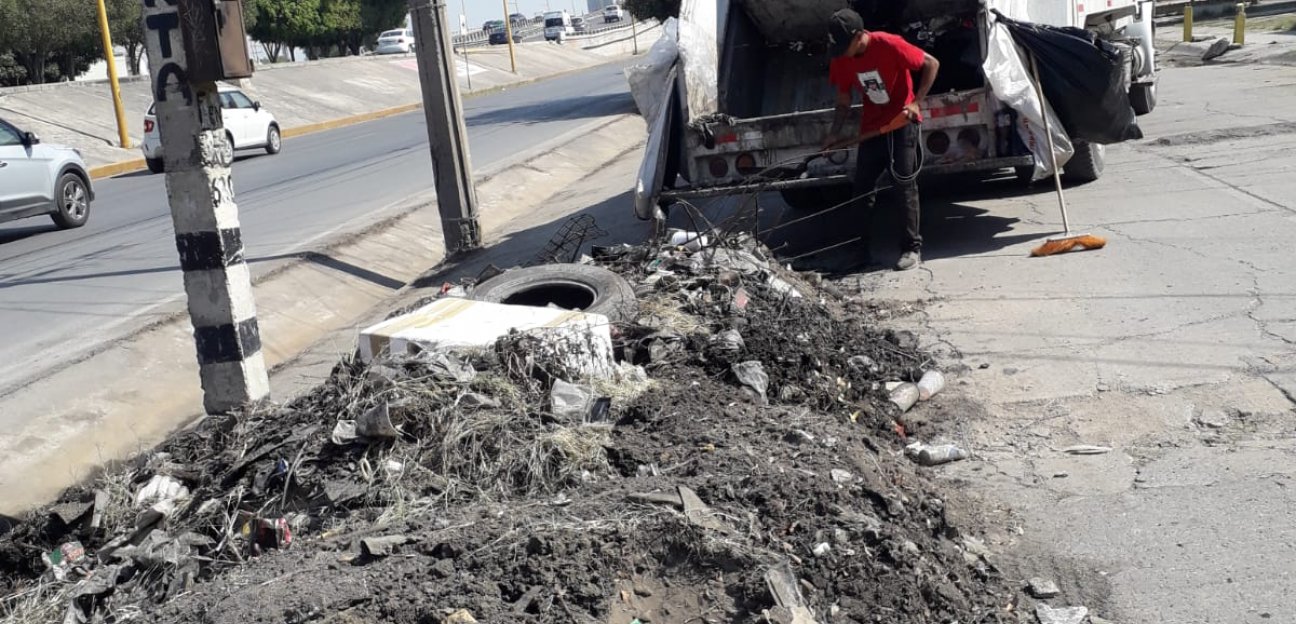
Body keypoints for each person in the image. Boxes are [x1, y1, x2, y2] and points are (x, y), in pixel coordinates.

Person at [823, 8, 939, 271]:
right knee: (861, 190)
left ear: (858, 36)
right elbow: (843, 100)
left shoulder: (889, 44)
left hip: (901, 122)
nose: (841, 53)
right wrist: (834, 132)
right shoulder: (841, 57)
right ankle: (860, 252)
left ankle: (911, 249)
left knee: (903, 184)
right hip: (873, 127)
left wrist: (917, 103)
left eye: (844, 46)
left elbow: (932, 63)